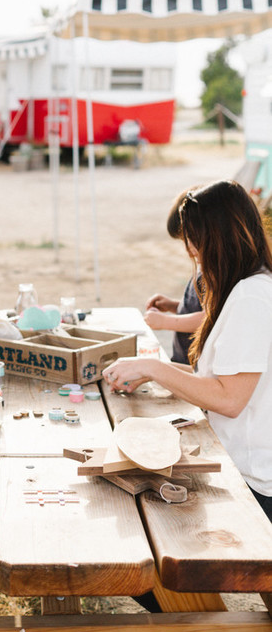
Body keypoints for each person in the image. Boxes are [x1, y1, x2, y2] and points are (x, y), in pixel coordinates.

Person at [104, 179, 272, 521]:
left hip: (257, 481)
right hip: (242, 466)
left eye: (195, 244)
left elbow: (229, 399)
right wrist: (146, 368)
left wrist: (154, 370)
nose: (193, 255)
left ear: (216, 239)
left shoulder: (252, 297)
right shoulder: (245, 289)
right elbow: (213, 379)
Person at [143, 188, 205, 365]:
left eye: (189, 240)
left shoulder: (213, 274)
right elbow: (197, 309)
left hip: (195, 365)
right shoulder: (201, 268)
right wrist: (172, 305)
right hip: (181, 360)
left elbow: (207, 318)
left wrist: (165, 322)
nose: (188, 249)